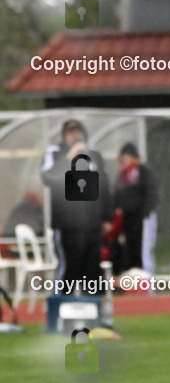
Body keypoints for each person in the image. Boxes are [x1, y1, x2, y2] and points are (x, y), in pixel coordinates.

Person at [39, 119, 113, 294]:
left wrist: (107, 217)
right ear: (65, 136)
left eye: (78, 133)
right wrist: (68, 159)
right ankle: (62, 310)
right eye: (71, 133)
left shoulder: (94, 155)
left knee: (92, 271)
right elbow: (47, 177)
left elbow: (105, 187)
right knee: (70, 270)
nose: (76, 137)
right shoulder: (55, 153)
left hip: (92, 224)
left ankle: (94, 313)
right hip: (67, 225)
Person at [112, 143, 159, 274]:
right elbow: (117, 194)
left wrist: (146, 212)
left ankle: (149, 283)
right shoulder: (122, 175)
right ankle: (134, 285)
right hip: (128, 221)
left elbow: (151, 191)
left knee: (145, 250)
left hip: (143, 218)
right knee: (131, 251)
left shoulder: (143, 170)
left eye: (126, 158)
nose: (123, 162)